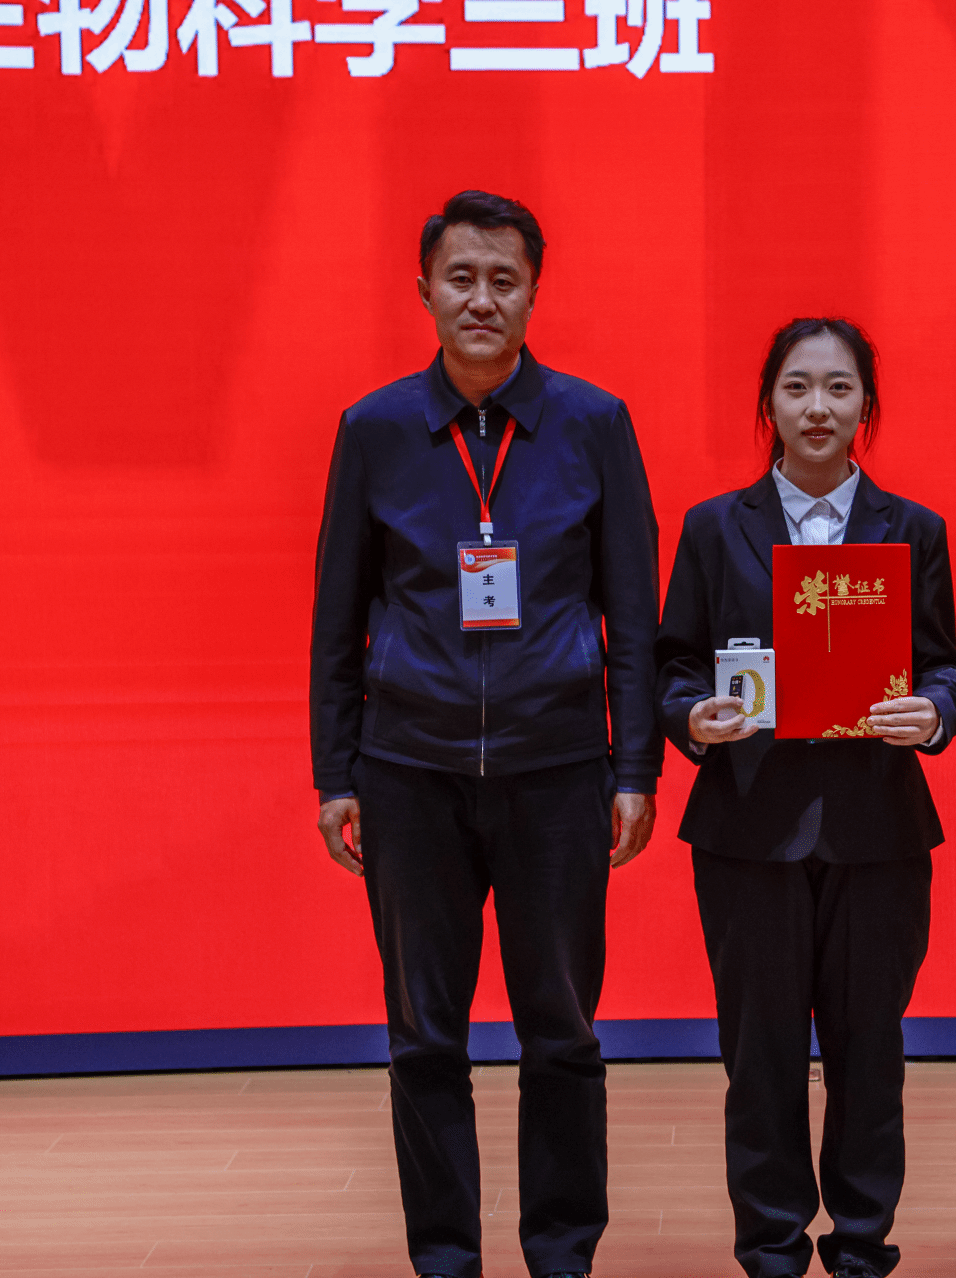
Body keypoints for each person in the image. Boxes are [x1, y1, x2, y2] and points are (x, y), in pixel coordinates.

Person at [308, 189, 662, 1278]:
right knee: (424, 1035)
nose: (480, 298)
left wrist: (635, 768)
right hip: (407, 772)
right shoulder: (373, 430)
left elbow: (631, 611)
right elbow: (335, 614)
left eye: (503, 280)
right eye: (460, 277)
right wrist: (334, 773)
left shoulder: (593, 423)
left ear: (532, 294)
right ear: (423, 290)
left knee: (561, 1029)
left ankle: (562, 1253)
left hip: (558, 769)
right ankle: (446, 1258)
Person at [654, 319, 956, 1278]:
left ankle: (864, 1244)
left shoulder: (913, 529)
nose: (818, 408)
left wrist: (935, 712)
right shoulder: (716, 527)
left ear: (866, 404)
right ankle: (772, 1247)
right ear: (769, 404)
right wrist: (691, 716)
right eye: (797, 388)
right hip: (749, 826)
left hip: (878, 828)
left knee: (871, 1049)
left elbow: (946, 665)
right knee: (759, 1054)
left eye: (839, 388)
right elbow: (674, 663)